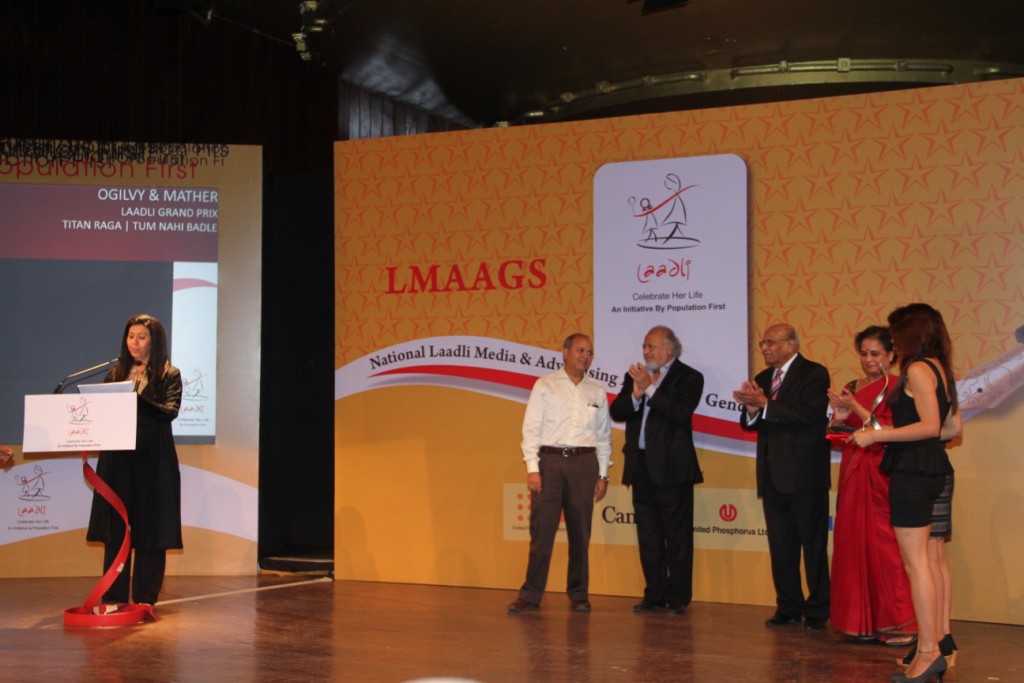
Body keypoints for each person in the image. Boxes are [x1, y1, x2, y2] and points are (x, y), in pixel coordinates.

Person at [851, 304, 961, 683]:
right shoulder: (939, 368)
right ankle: (934, 645)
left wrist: (877, 436)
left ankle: (928, 651)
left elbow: (930, 426)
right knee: (927, 562)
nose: (892, 340)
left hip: (914, 473)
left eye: (895, 332)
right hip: (929, 468)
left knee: (917, 566)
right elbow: (950, 427)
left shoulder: (917, 369)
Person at [732, 323, 831, 630]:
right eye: (763, 343)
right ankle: (788, 606)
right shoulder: (763, 379)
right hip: (772, 475)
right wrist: (751, 408)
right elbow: (751, 423)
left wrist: (766, 404)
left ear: (791, 344)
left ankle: (818, 609)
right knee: (781, 547)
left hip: (805, 476)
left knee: (813, 547)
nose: (765, 348)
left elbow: (809, 417)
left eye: (771, 342)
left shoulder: (814, 373)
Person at [508, 333, 612, 613]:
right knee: (541, 532)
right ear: (565, 352)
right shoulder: (545, 385)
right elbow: (531, 428)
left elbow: (603, 436)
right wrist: (533, 469)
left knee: (581, 533)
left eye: (589, 352)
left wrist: (603, 475)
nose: (585, 356)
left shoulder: (597, 391)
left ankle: (579, 594)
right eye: (580, 350)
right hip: (550, 463)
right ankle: (530, 595)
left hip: (584, 464)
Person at [86, 314, 183, 608]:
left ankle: (145, 598)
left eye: (141, 337)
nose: (134, 342)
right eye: (131, 336)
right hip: (118, 461)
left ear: (155, 341)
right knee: (117, 527)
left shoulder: (169, 374)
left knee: (151, 528)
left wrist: (135, 400)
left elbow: (170, 411)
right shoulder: (115, 374)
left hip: (153, 461)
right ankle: (114, 597)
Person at [827, 326, 916, 645]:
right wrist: (839, 418)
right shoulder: (853, 387)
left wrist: (855, 408)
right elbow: (837, 437)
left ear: (892, 355)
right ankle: (859, 622)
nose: (868, 359)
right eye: (864, 353)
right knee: (852, 544)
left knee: (884, 546)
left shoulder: (901, 387)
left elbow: (889, 432)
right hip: (853, 470)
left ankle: (899, 622)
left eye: (875, 353)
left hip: (882, 472)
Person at [609, 325, 704, 615]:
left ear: (669, 350)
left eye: (651, 346)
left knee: (677, 537)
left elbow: (679, 412)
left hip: (673, 470)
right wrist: (636, 394)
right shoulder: (635, 376)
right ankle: (654, 593)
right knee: (648, 536)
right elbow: (616, 412)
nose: (646, 351)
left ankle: (678, 597)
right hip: (640, 467)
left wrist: (650, 388)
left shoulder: (689, 377)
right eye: (644, 346)